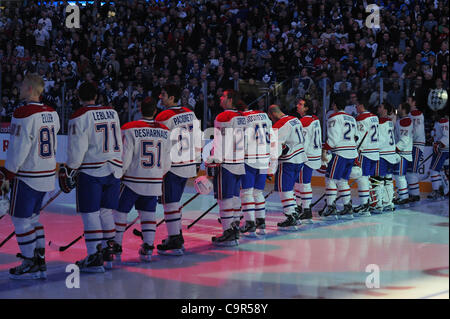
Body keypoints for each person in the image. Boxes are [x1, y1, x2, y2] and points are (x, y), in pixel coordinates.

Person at [0, 73, 60, 280]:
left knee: (19, 219)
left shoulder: (23, 113)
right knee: (33, 219)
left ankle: (29, 261)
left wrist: (7, 172)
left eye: (23, 84)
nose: (20, 87)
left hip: (28, 175)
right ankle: (39, 259)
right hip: (46, 175)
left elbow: (18, 147)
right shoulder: (53, 113)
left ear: (31, 89)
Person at [63, 81, 123, 273]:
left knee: (91, 214)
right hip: (114, 168)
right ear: (96, 96)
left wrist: (70, 169)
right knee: (105, 212)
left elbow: (77, 149)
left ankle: (93, 255)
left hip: (92, 171)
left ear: (79, 97)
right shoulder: (112, 112)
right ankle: (108, 252)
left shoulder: (79, 116)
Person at [113, 97, 171, 262]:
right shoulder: (165, 131)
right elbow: (167, 163)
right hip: (153, 182)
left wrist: (119, 174)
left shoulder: (130, 128)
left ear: (140, 109)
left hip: (132, 180)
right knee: (148, 214)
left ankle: (116, 245)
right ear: (155, 111)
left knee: (119, 212)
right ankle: (148, 246)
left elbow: (125, 158)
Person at [155, 84, 201, 255]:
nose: (161, 97)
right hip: (188, 164)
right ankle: (176, 235)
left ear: (172, 98)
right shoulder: (190, 113)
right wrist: (197, 161)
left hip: (172, 166)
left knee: (170, 203)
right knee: (174, 203)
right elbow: (198, 139)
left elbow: (158, 142)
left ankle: (175, 239)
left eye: (164, 94)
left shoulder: (164, 116)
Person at [206, 89, 247, 246]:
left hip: (226, 163)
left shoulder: (224, 116)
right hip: (239, 161)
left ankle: (228, 232)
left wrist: (213, 160)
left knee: (224, 199)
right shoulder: (242, 117)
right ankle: (235, 228)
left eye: (223, 96)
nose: (220, 98)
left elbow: (219, 142)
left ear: (230, 100)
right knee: (235, 197)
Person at [267, 104, 308, 230]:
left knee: (284, 189)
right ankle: (294, 212)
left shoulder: (278, 126)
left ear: (273, 114)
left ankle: (291, 216)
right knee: (290, 188)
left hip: (288, 161)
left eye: (270, 117)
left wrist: (270, 170)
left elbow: (275, 150)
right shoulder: (295, 119)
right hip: (300, 158)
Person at [321, 95, 358, 220]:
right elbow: (356, 137)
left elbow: (333, 138)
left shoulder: (334, 117)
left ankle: (331, 206)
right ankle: (347, 205)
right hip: (352, 152)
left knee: (330, 179)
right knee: (343, 180)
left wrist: (325, 149)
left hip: (340, 153)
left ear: (335, 105)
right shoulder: (352, 118)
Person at [239, 100, 273, 236]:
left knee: (247, 193)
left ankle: (249, 223)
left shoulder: (242, 118)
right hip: (264, 157)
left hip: (250, 158)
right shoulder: (264, 115)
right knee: (258, 193)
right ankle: (261, 222)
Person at [294, 99, 322, 223]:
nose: (297, 106)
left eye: (300, 104)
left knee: (303, 183)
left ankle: (306, 209)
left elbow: (302, 143)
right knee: (302, 183)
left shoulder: (303, 122)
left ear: (306, 108)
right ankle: (301, 206)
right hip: (315, 154)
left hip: (306, 156)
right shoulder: (315, 119)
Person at [353, 102, 380, 216]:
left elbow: (357, 137)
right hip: (375, 151)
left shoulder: (360, 118)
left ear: (361, 105)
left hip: (365, 152)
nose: (355, 107)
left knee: (362, 178)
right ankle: (374, 203)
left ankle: (365, 205)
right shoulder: (375, 117)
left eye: (357, 105)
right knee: (368, 178)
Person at [376, 103, 398, 212]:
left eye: (380, 107)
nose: (378, 108)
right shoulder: (390, 122)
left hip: (383, 154)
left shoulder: (380, 122)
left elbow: (379, 140)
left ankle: (378, 204)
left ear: (385, 110)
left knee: (379, 180)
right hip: (391, 154)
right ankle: (389, 203)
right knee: (388, 180)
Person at [393, 102, 413, 206]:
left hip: (402, 153)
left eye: (399, 107)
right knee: (399, 176)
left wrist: (396, 148)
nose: (398, 109)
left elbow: (405, 138)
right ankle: (402, 196)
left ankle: (404, 197)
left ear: (403, 109)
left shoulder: (406, 121)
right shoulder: (402, 121)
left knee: (399, 176)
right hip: (403, 152)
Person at [406, 96, 426, 203]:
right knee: (410, 170)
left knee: (412, 171)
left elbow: (416, 131)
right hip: (413, 144)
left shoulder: (416, 114)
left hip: (416, 144)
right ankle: (412, 193)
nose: (407, 102)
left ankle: (415, 194)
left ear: (414, 102)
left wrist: (409, 139)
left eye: (409, 101)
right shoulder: (411, 114)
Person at [427, 112, 449, 199]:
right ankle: (442, 189)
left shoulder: (443, 121)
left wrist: (438, 143)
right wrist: (433, 139)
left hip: (442, 150)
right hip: (441, 150)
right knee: (439, 171)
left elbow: (447, 136)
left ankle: (437, 191)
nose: (432, 116)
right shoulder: (438, 122)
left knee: (434, 170)